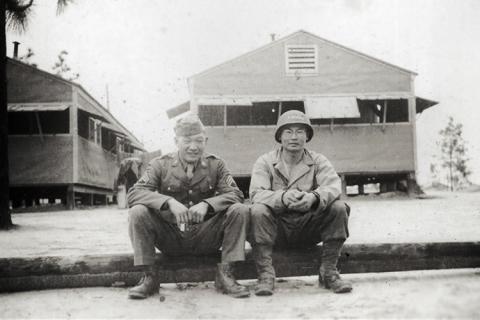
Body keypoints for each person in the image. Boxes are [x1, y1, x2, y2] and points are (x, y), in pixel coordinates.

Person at [127, 115, 250, 299]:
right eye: (187, 141)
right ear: (176, 141)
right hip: (171, 237)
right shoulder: (160, 164)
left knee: (239, 210)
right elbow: (134, 194)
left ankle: (226, 274)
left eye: (199, 141)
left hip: (205, 237)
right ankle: (149, 277)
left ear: (205, 141)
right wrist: (168, 202)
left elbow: (236, 194)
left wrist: (207, 205)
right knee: (137, 211)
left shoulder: (216, 164)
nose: (194, 147)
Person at [249, 110, 352, 296]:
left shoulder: (318, 160)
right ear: (279, 136)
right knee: (257, 211)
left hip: (308, 228)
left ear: (307, 136)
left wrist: (314, 198)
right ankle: (265, 275)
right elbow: (256, 193)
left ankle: (329, 271)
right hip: (276, 230)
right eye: (288, 132)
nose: (294, 137)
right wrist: (281, 198)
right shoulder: (265, 161)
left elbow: (333, 185)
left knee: (338, 207)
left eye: (300, 131)